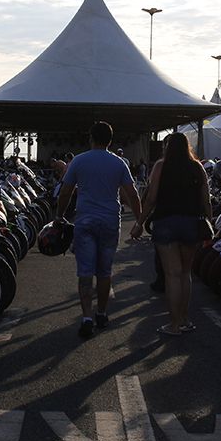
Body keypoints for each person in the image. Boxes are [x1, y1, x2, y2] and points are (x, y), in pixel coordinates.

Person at [55, 121, 143, 339]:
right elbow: (132, 194)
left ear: (91, 138)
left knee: (85, 272)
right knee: (104, 271)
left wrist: (59, 216)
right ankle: (101, 313)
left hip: (85, 221)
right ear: (110, 140)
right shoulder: (119, 163)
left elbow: (66, 191)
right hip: (110, 222)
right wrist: (139, 221)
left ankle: (87, 318)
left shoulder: (79, 160)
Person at [131, 133, 211, 336]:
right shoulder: (197, 167)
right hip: (191, 223)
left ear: (167, 147)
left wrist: (139, 223)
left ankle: (174, 325)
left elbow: (151, 198)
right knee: (185, 273)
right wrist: (210, 223)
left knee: (172, 275)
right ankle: (184, 320)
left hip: (165, 222)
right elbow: (206, 200)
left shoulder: (160, 166)